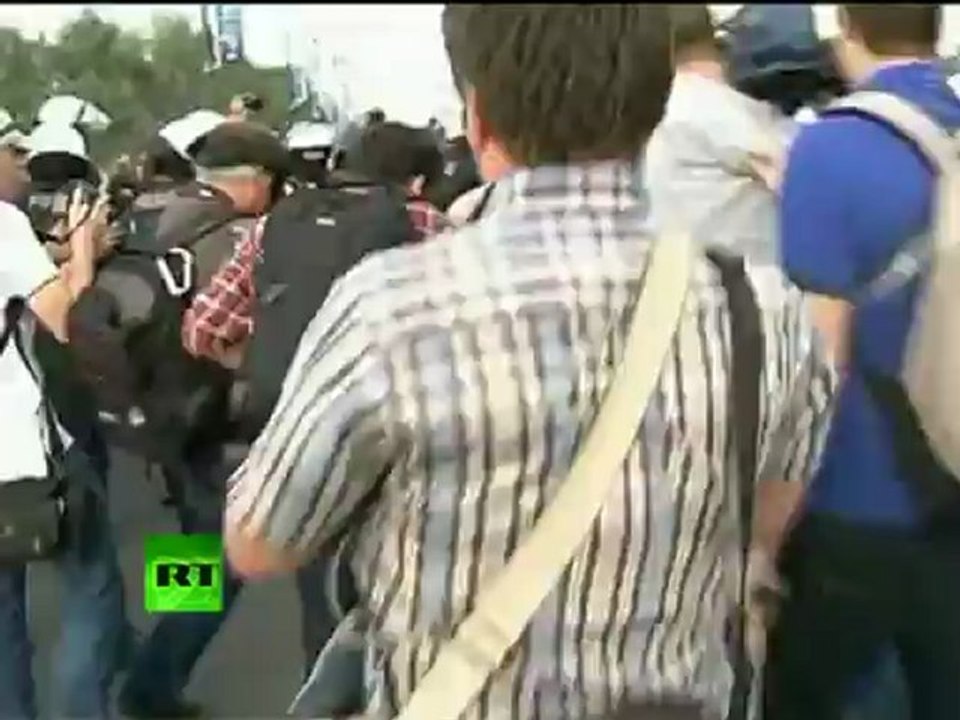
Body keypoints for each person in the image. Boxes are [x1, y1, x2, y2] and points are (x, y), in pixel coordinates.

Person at [223, 5, 836, 719]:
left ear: (479, 121)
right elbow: (768, 513)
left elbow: (259, 544)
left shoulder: (392, 307)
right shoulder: (763, 304)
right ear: (655, 106)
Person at [767, 6, 960, 720]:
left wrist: (766, 530)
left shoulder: (831, 149)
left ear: (845, 24)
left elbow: (822, 357)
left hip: (861, 490)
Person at [117, 120, 289, 719]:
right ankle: (152, 680)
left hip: (155, 409)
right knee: (225, 559)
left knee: (192, 543)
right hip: (210, 410)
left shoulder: (150, 213)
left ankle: (159, 681)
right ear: (252, 180)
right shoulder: (232, 235)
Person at [0, 183, 127, 719]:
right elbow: (68, 318)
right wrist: (82, 252)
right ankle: (161, 672)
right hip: (28, 455)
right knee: (92, 593)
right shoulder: (4, 225)